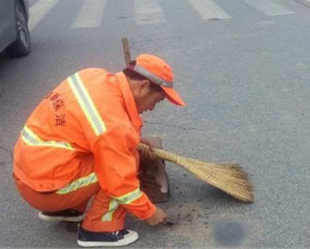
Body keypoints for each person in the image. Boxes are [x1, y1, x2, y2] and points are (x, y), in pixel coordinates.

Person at [12, 54, 186, 247]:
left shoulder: (92, 75)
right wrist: (150, 213)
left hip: (29, 174)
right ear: (143, 86)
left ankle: (68, 209)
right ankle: (100, 230)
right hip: (48, 190)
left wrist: (133, 138)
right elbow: (119, 182)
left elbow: (93, 128)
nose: (153, 108)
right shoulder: (114, 126)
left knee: (116, 152)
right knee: (126, 161)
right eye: (157, 100)